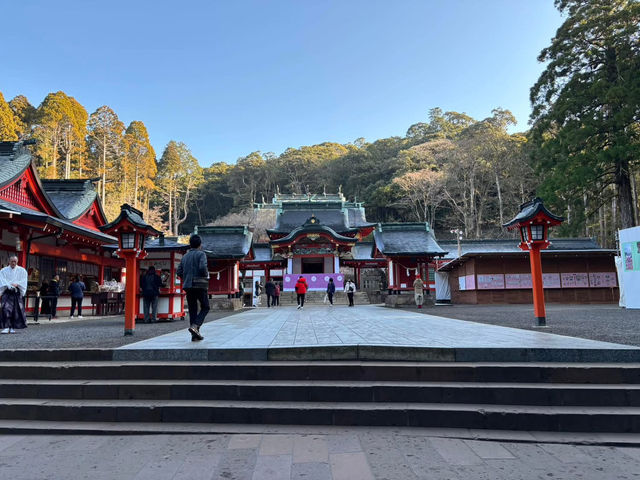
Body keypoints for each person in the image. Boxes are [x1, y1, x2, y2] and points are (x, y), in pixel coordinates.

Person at [177, 234, 210, 341]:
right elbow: (202, 267)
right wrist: (205, 275)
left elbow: (179, 272)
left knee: (192, 309)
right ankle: (195, 326)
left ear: (190, 244)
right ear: (200, 244)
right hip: (199, 284)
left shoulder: (185, 257)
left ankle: (194, 335)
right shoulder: (201, 254)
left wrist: (186, 278)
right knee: (205, 306)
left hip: (188, 285)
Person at [0, 255, 28, 334]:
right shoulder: (3, 270)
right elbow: (2, 280)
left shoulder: (22, 270)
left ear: (17, 261)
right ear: (9, 262)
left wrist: (17, 284)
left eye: (15, 261)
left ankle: (12, 327)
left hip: (16, 292)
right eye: (12, 261)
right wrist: (9, 285)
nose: (13, 263)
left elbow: (24, 280)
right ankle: (6, 327)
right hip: (7, 292)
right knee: (5, 309)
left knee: (16, 311)